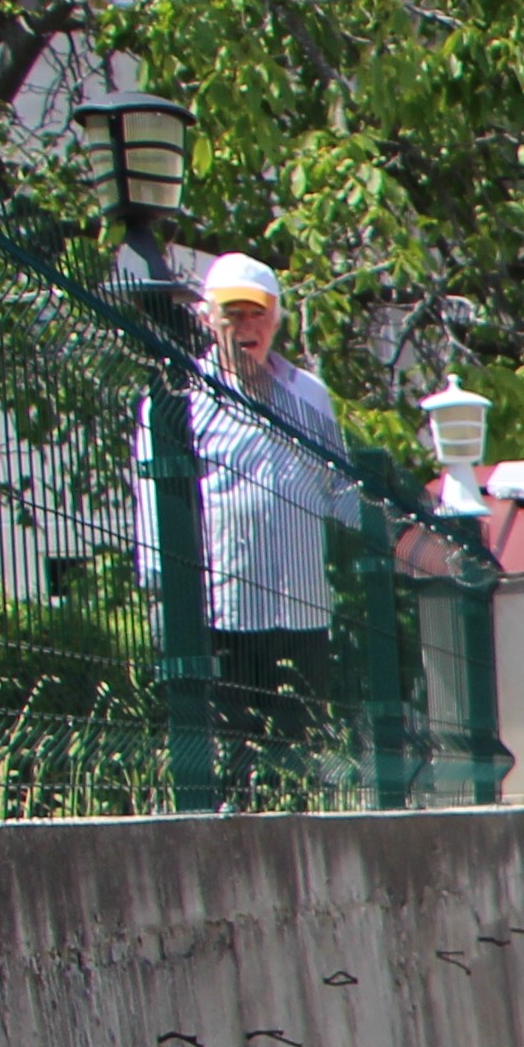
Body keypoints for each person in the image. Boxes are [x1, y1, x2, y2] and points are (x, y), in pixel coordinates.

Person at [185, 255, 357, 766]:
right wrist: (167, 597)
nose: (246, 327)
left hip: (303, 611)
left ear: (278, 318)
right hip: (226, 613)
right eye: (231, 314)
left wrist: (406, 541)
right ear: (206, 319)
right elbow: (159, 505)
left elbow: (342, 489)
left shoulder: (309, 396)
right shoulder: (181, 398)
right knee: (234, 762)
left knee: (300, 758)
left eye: (257, 314)